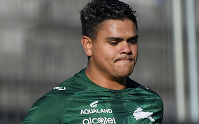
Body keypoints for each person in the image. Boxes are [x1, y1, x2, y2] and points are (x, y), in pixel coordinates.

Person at [21, 0, 163, 123]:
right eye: (114, 42)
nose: (126, 49)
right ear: (88, 45)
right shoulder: (57, 105)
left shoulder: (150, 102)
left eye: (132, 41)